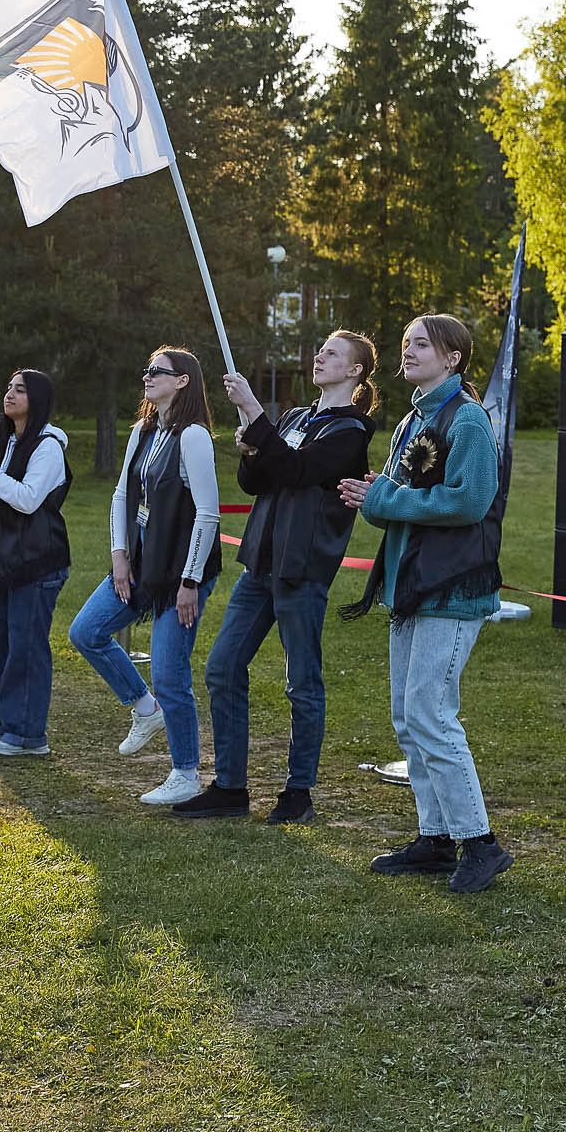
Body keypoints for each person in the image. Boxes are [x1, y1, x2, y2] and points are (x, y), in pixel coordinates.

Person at [339, 315, 512, 895]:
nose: (408, 350)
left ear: (455, 358)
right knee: (408, 717)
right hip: (409, 586)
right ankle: (435, 838)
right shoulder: (413, 417)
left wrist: (384, 495)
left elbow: (469, 501)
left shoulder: (467, 420)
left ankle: (480, 844)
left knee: (432, 716)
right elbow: (389, 502)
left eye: (423, 344)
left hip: (452, 590)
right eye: (406, 340)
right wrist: (373, 498)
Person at [178, 331, 380, 823]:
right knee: (222, 668)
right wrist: (252, 446)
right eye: (321, 350)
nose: (320, 356)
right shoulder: (294, 418)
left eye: (333, 354)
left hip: (302, 569)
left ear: (354, 372)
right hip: (260, 565)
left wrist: (252, 409)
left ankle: (298, 793)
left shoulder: (352, 430)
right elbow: (257, 482)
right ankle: (230, 787)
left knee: (301, 682)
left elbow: (297, 470)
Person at [67, 347, 223, 806]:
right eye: (147, 370)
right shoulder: (144, 429)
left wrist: (190, 582)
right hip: (139, 564)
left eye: (159, 372)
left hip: (181, 573)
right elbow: (121, 496)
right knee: (86, 631)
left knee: (171, 672)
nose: (148, 377)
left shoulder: (194, 436)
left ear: (183, 382)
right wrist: (119, 557)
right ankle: (143, 707)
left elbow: (208, 516)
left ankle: (186, 774)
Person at [0, 371, 73, 757]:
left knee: (25, 649)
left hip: (35, 564)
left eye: (19, 389)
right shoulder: (3, 443)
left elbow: (26, 499)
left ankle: (27, 736)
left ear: (37, 399)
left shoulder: (48, 447)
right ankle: (0, 724)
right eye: (8, 388)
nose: (9, 394)